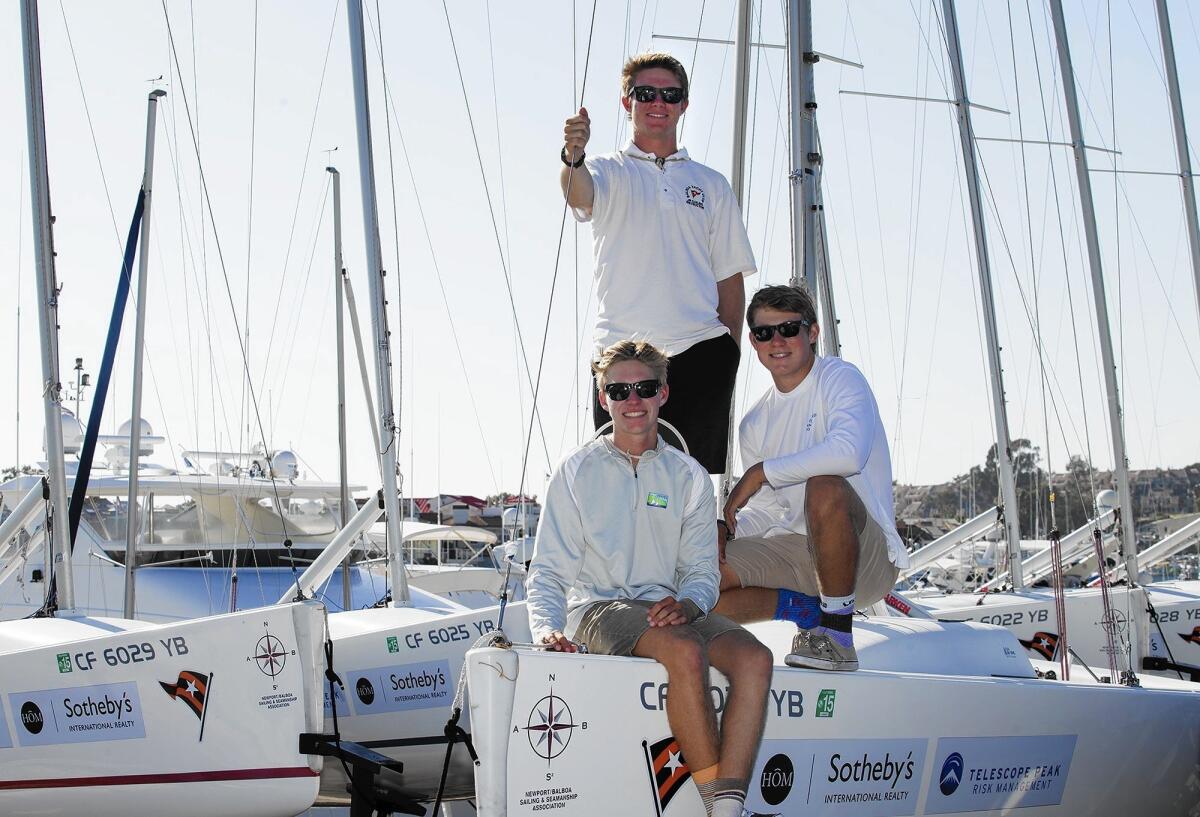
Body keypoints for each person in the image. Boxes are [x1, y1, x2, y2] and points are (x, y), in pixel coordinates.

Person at [526, 339, 772, 817]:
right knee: (683, 649)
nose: (632, 399)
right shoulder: (575, 473)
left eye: (644, 387)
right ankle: (716, 809)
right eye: (619, 390)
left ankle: (727, 805)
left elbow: (702, 571)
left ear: (663, 393)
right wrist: (547, 630)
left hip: (672, 610)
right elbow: (549, 571)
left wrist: (692, 603)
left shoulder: (690, 476)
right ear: (604, 400)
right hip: (598, 609)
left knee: (756, 659)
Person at [560, 52, 756, 474]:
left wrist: (729, 354)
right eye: (645, 93)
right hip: (622, 359)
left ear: (684, 104)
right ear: (626, 101)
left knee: (697, 492)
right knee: (621, 490)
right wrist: (572, 156)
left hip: (702, 353)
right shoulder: (605, 171)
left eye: (670, 94)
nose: (658, 103)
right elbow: (578, 195)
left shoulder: (712, 185)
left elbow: (729, 276)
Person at [715, 285, 910, 671]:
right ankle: (804, 611)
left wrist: (760, 473)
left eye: (789, 329)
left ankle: (836, 635)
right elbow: (769, 513)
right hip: (795, 552)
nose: (777, 341)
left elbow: (848, 453)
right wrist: (724, 526)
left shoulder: (840, 378)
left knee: (825, 485)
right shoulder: (755, 423)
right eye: (764, 332)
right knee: (699, 580)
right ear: (753, 341)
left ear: (813, 333)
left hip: (862, 562)